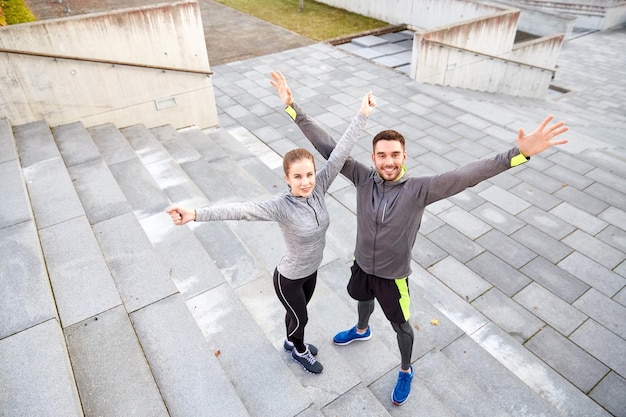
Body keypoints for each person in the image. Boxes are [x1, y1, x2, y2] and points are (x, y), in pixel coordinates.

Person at [270, 70, 568, 404]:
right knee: (360, 296)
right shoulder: (362, 177)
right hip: (362, 267)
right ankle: (362, 329)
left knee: (402, 327)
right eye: (381, 155)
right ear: (373, 158)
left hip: (393, 277)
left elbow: (467, 175)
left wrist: (517, 153)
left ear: (404, 157)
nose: (388, 161)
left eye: (394, 154)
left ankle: (406, 368)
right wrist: (293, 108)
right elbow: (328, 146)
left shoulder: (420, 189)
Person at [167, 89, 376, 374]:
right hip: (289, 277)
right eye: (298, 177)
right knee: (301, 318)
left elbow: (339, 154)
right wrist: (195, 214)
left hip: (311, 271)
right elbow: (241, 210)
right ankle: (299, 350)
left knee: (295, 316)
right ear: (287, 179)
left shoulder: (319, 189)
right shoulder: (281, 206)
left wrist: (362, 115)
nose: (306, 182)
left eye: (309, 174)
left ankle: (292, 342)